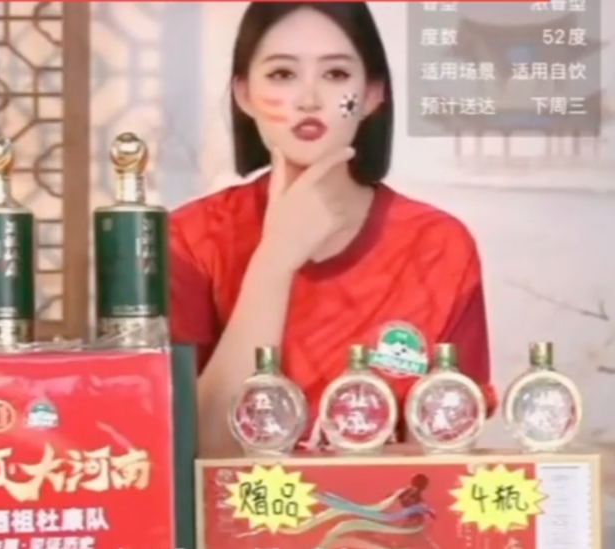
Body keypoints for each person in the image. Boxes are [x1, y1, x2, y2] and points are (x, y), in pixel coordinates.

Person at [170, 2, 496, 455]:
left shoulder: (438, 245)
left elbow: (448, 451)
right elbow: (199, 450)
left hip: (389, 504)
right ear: (244, 94)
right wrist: (275, 260)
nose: (309, 99)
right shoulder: (191, 238)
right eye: (282, 74)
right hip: (239, 505)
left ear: (373, 94)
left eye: (336, 74)